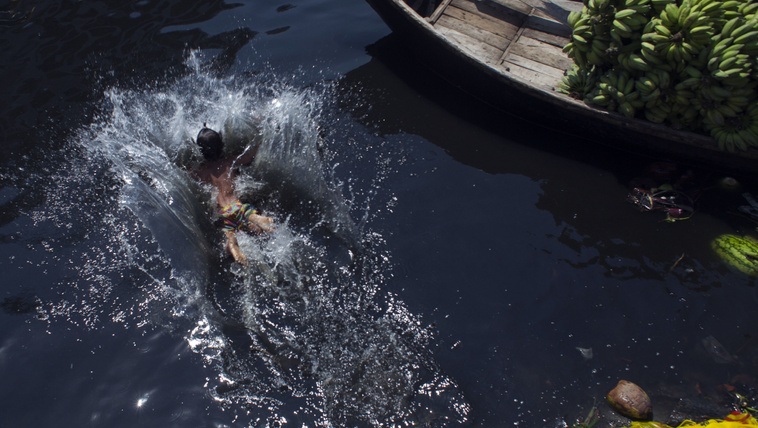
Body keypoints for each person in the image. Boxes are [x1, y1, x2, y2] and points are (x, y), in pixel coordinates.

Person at [191, 127, 274, 265]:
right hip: (239, 207)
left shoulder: (199, 172)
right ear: (222, 145)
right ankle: (255, 219)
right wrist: (264, 136)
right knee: (258, 230)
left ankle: (232, 243)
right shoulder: (229, 162)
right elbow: (249, 156)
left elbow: (181, 174)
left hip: (223, 214)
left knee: (228, 234)